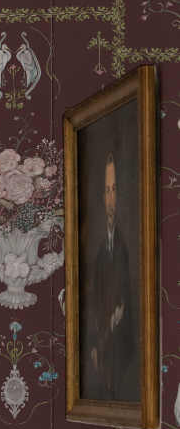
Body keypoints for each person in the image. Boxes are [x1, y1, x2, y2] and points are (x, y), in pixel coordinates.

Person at [89, 151, 135, 399]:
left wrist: (111, 328)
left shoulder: (123, 246)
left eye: (114, 189)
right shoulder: (99, 250)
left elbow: (125, 304)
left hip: (119, 349)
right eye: (107, 190)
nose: (110, 198)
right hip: (102, 348)